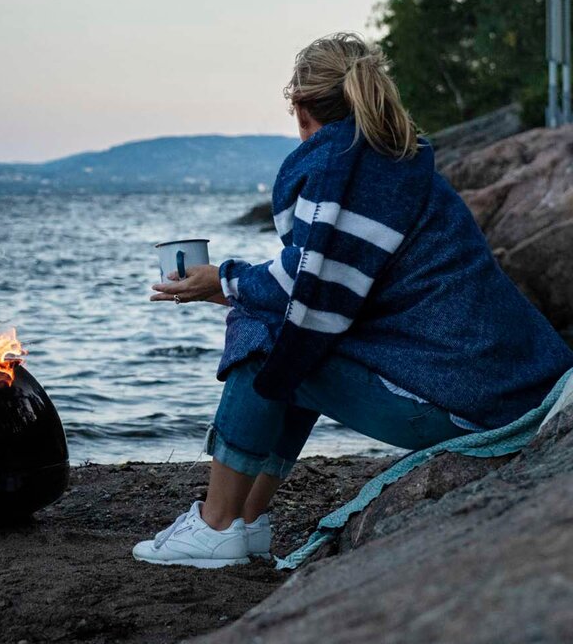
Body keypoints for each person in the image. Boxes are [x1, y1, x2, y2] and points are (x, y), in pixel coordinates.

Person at [132, 31, 573, 569]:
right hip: (503, 386)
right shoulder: (392, 162)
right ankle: (245, 521)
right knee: (297, 335)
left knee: (269, 331)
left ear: (300, 109)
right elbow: (327, 283)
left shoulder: (347, 170)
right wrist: (236, 281)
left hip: (477, 406)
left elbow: (309, 290)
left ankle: (216, 523)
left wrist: (222, 282)